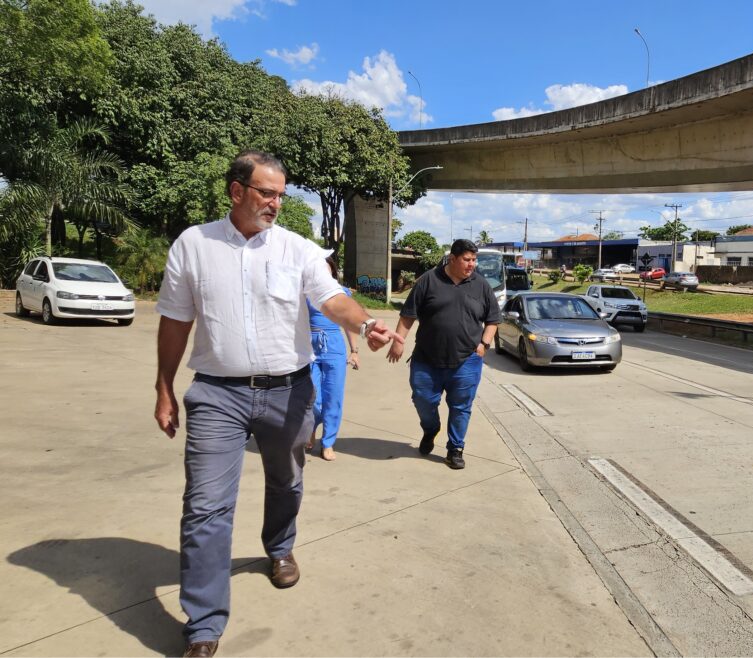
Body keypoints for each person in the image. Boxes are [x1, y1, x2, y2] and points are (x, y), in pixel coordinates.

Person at [153, 150, 401, 658]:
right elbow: (175, 321)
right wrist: (163, 387)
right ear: (236, 191)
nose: (276, 203)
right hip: (217, 393)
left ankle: (280, 547)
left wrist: (365, 323)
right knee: (205, 507)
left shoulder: (298, 250)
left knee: (286, 481)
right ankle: (203, 625)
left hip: (289, 390)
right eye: (267, 192)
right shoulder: (193, 245)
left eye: (281, 195)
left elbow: (332, 299)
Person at [386, 239, 500, 470]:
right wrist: (398, 342)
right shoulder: (428, 280)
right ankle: (430, 429)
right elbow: (408, 315)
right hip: (427, 359)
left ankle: (455, 449)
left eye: (474, 260)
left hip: (467, 361)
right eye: (467, 260)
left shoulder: (481, 285)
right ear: (453, 259)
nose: (472, 265)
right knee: (422, 399)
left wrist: (484, 345)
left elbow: (493, 319)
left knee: (461, 407)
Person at [305, 255, 360, 462]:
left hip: (334, 348)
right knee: (311, 396)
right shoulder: (304, 293)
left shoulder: (341, 293)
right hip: (309, 348)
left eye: (326, 270)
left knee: (333, 398)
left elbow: (348, 322)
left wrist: (354, 351)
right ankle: (309, 430)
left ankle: (328, 442)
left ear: (332, 272)